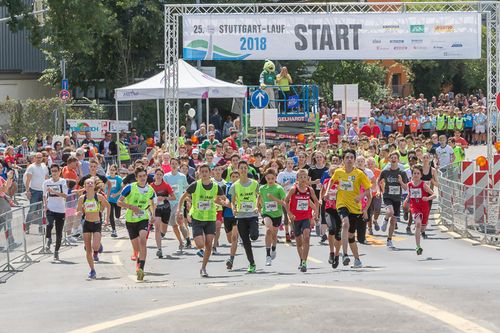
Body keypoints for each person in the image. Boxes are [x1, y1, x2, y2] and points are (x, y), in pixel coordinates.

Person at [177, 164, 225, 277]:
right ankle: (200, 239)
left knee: (209, 245)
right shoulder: (195, 185)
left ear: (210, 173)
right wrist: (179, 210)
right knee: (200, 245)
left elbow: (222, 199)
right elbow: (183, 197)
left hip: (210, 218)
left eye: (206, 171)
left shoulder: (216, 186)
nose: (204, 173)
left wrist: (227, 204)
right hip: (197, 218)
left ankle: (203, 268)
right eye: (202, 171)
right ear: (199, 173)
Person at [328, 149, 371, 268]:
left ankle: (357, 259)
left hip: (355, 208)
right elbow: (331, 182)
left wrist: (361, 196)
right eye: (347, 157)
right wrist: (326, 193)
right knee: (345, 224)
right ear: (343, 160)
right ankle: (344, 255)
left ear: (354, 160)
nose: (349, 159)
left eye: (352, 157)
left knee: (351, 235)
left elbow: (368, 190)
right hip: (341, 204)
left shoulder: (359, 174)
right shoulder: (338, 172)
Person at [118, 167, 156, 281]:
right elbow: (119, 202)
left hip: (143, 218)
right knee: (137, 247)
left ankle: (141, 269)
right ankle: (138, 259)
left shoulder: (150, 190)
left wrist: (153, 215)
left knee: (143, 241)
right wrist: (130, 207)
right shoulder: (129, 187)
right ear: (136, 178)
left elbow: (151, 203)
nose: (143, 178)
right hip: (130, 220)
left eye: (144, 176)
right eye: (140, 176)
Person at [285, 169, 320, 272]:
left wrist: (315, 214)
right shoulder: (293, 189)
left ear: (308, 178)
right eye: (301, 177)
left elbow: (317, 202)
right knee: (299, 242)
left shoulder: (310, 190)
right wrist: (289, 214)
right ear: (297, 179)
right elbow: (286, 201)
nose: (303, 179)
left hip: (306, 217)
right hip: (296, 218)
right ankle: (301, 260)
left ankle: (304, 262)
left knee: (307, 237)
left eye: (305, 177)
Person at [76, 178, 110, 279]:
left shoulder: (98, 196)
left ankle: (98, 247)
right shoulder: (82, 198)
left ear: (94, 185)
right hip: (87, 223)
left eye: (91, 183)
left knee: (95, 246)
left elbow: (108, 206)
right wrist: (78, 213)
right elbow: (78, 210)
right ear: (85, 186)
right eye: (88, 183)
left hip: (96, 223)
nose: (90, 184)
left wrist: (107, 220)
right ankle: (92, 270)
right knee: (88, 250)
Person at [230, 160, 260, 273]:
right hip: (241, 216)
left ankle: (255, 232)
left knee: (254, 236)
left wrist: (257, 206)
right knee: (246, 242)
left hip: (252, 215)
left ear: (248, 169)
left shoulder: (254, 183)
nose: (243, 170)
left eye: (245, 168)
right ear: (238, 170)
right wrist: (233, 208)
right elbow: (232, 201)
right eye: (241, 168)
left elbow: (258, 196)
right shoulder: (235, 185)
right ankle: (252, 263)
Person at [378, 152, 408, 248]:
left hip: (397, 198)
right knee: (390, 212)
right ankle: (385, 219)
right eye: (392, 158)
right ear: (389, 160)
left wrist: (400, 181)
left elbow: (405, 187)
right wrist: (379, 191)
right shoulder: (385, 172)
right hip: (387, 196)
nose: (393, 159)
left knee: (394, 220)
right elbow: (378, 181)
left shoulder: (402, 173)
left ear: (398, 160)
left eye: (395, 157)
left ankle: (389, 239)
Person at [405, 165, 436, 255]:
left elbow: (434, 195)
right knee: (418, 224)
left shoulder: (424, 185)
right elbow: (409, 194)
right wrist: (406, 200)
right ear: (412, 174)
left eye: (418, 173)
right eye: (414, 173)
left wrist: (428, 198)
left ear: (421, 175)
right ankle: (418, 246)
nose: (416, 175)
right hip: (415, 207)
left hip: (424, 208)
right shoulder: (409, 185)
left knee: (422, 226)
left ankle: (423, 231)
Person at [258, 168, 287, 266]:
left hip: (277, 214)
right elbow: (260, 198)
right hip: (266, 213)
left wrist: (273, 198)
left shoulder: (279, 188)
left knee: (274, 235)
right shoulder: (262, 188)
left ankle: (274, 248)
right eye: (268, 178)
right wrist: (258, 208)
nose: (270, 180)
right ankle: (267, 255)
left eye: (272, 178)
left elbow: (284, 203)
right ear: (265, 178)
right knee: (268, 230)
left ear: (275, 178)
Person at [43, 164, 68, 261]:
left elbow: (65, 195)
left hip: (61, 210)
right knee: (49, 224)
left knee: (59, 233)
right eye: (52, 171)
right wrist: (45, 205)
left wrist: (54, 191)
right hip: (50, 208)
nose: (54, 173)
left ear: (59, 172)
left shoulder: (63, 181)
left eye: (55, 171)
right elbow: (44, 195)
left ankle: (56, 252)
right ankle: (48, 239)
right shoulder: (46, 182)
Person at [164, 158, 191, 249]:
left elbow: (186, 188)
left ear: (178, 165)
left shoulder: (182, 176)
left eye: (175, 163)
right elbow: (165, 190)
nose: (174, 165)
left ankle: (187, 239)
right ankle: (180, 241)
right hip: (169, 203)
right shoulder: (166, 176)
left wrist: (187, 200)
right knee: (174, 225)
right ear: (170, 165)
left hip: (179, 202)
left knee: (180, 222)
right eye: (172, 164)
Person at [150, 168, 176, 258]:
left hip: (165, 209)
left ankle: (162, 234)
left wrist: (164, 198)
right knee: (157, 228)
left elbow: (173, 197)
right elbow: (148, 198)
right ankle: (159, 249)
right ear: (154, 175)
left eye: (161, 175)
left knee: (163, 230)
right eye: (157, 174)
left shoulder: (166, 186)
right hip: (156, 209)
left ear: (162, 176)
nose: (159, 176)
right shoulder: (151, 186)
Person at [25, 152, 49, 234]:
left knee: (41, 210)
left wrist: (47, 190)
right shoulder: (31, 167)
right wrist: (27, 191)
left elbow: (46, 178)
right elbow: (28, 180)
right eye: (37, 157)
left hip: (42, 191)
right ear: (34, 158)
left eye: (40, 157)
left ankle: (41, 227)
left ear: (42, 158)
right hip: (34, 191)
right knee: (32, 209)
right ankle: (27, 227)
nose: (39, 159)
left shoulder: (44, 166)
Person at [223, 170, 239, 270]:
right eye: (233, 176)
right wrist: (229, 204)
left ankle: (231, 259)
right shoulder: (226, 187)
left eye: (237, 176)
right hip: (227, 215)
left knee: (234, 238)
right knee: (230, 239)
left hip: (237, 216)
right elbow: (219, 199)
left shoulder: (242, 186)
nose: (235, 178)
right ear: (230, 177)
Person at [106, 164, 123, 238]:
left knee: (117, 215)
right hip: (109, 199)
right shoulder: (107, 178)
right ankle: (113, 230)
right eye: (110, 170)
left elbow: (122, 188)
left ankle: (118, 218)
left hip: (117, 199)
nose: (112, 171)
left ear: (116, 171)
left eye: (113, 170)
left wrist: (116, 194)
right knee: (111, 215)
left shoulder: (119, 179)